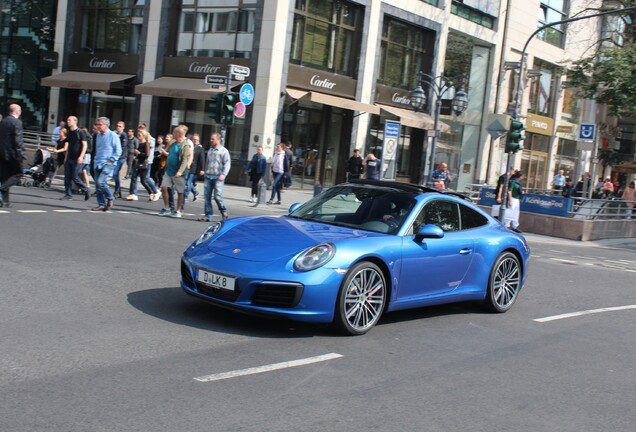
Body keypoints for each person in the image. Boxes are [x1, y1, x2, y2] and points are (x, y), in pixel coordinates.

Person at [158, 125, 192, 218]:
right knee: (164, 187)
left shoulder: (185, 145)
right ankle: (167, 208)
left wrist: (180, 171)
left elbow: (185, 160)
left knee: (180, 191)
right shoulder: (172, 142)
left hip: (178, 172)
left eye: (174, 132)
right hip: (168, 170)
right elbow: (167, 151)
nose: (172, 134)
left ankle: (178, 210)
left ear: (178, 134)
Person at [198, 132, 230, 221]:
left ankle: (224, 212)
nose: (211, 140)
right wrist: (204, 170)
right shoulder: (210, 150)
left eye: (213, 139)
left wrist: (223, 174)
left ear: (218, 140)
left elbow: (227, 164)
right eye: (211, 139)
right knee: (207, 197)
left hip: (218, 177)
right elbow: (207, 162)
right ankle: (208, 215)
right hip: (208, 176)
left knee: (217, 196)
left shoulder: (224, 151)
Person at [92, 117, 122, 212]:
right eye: (97, 124)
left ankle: (110, 197)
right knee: (97, 184)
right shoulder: (99, 135)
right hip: (98, 162)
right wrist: (95, 160)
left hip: (108, 163)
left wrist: (112, 160)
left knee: (101, 182)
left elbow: (118, 150)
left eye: (99, 124)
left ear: (105, 125)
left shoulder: (113, 135)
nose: (98, 126)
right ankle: (101, 204)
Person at [60, 116, 90, 201]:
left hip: (77, 158)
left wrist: (81, 156)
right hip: (69, 157)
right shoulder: (69, 132)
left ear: (75, 122)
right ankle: (68, 194)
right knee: (67, 177)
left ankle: (86, 189)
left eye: (70, 120)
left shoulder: (80, 132)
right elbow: (68, 146)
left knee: (74, 176)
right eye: (67, 120)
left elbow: (84, 145)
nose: (68, 121)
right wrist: (66, 157)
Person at [0, 104, 25, 207]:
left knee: (5, 176)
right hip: (12, 154)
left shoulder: (3, 121)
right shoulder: (17, 122)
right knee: (18, 174)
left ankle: (5, 201)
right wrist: (21, 154)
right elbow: (18, 140)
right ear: (17, 112)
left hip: (1, 153)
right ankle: (1, 189)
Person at [126, 130, 160, 202]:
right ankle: (132, 194)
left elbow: (146, 155)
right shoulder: (140, 144)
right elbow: (139, 155)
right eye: (137, 135)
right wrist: (137, 157)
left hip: (144, 165)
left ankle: (152, 192)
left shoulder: (146, 144)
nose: (138, 137)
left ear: (143, 136)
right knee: (134, 178)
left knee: (143, 181)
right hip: (138, 164)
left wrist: (138, 153)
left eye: (139, 135)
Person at [183, 133, 205, 209]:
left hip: (194, 169)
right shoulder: (189, 147)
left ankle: (185, 196)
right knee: (186, 181)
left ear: (198, 140)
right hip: (187, 167)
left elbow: (202, 160)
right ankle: (195, 192)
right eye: (193, 139)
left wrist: (202, 169)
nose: (194, 141)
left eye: (196, 139)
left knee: (188, 182)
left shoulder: (200, 149)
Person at [112, 121, 128, 198]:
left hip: (121, 156)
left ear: (123, 127)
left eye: (120, 126)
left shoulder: (123, 135)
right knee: (115, 174)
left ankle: (117, 190)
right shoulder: (114, 134)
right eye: (117, 126)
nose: (118, 127)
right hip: (115, 156)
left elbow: (123, 145)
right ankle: (118, 190)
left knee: (115, 173)